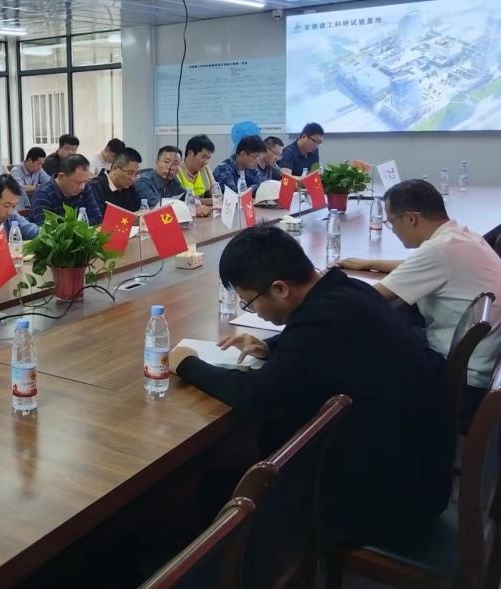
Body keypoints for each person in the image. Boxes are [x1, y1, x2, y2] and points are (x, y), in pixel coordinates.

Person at [168, 226, 452, 546]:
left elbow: (257, 395)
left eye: (249, 303)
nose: (254, 311)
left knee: (216, 488)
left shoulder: (321, 323)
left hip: (392, 503)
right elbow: (316, 342)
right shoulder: (347, 291)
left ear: (280, 289)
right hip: (417, 471)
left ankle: (244, 561)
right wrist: (270, 347)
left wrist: (186, 365)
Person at [338, 179, 501, 416]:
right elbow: (423, 265)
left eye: (391, 222)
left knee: (363, 346)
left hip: (461, 384)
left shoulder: (438, 251)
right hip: (482, 367)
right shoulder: (461, 237)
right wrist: (370, 263)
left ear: (411, 218)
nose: (393, 229)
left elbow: (367, 298)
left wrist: (320, 284)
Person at [29, 154, 103, 225]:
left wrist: (74, 226)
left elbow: (97, 218)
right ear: (61, 176)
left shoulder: (85, 187)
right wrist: (79, 225)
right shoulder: (43, 194)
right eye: (77, 182)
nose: (82, 187)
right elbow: (44, 228)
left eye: (85, 181)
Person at [86, 148, 142, 214]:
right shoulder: (95, 187)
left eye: (136, 174)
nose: (133, 178)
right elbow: (97, 218)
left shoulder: (129, 187)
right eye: (129, 173)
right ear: (115, 168)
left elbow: (137, 211)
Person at [177, 135, 215, 216]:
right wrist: (209, 201)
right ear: (190, 153)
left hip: (204, 217)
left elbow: (216, 195)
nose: (206, 162)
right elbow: (182, 202)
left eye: (208, 158)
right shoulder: (176, 170)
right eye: (204, 157)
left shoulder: (205, 170)